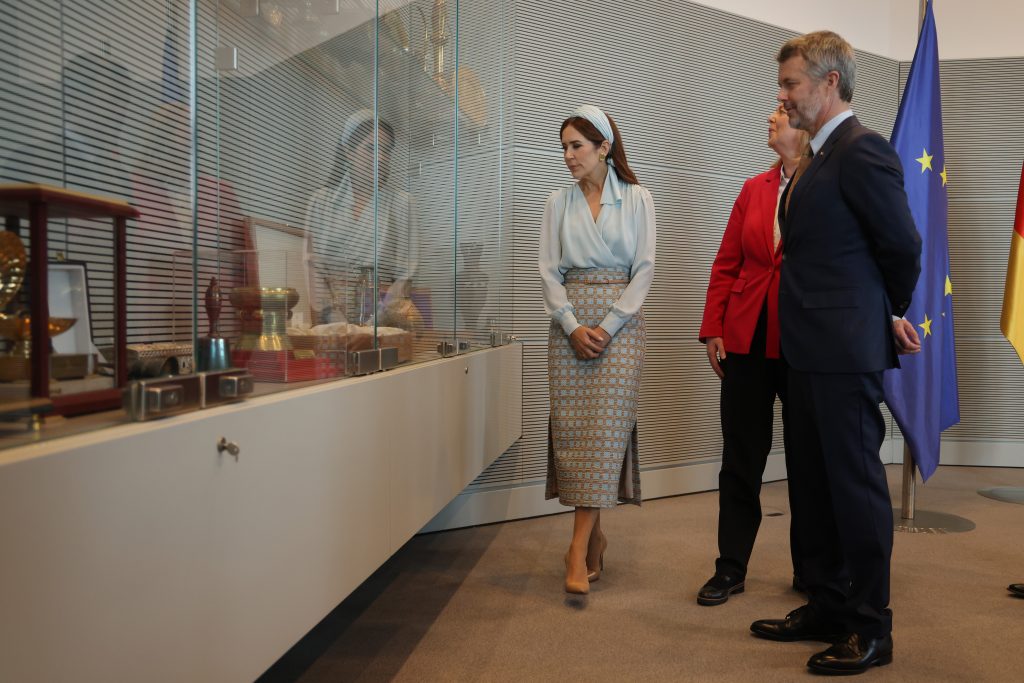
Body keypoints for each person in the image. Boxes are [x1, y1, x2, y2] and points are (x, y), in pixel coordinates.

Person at [748, 31, 923, 676]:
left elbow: (902, 248)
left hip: (845, 352)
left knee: (854, 489)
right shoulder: (816, 158)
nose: (783, 94)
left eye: (791, 83)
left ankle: (872, 626)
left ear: (828, 83)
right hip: (806, 352)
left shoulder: (861, 150)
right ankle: (825, 602)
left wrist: (883, 313)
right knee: (814, 487)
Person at [539, 105, 655, 595]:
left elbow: (644, 270)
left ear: (604, 147)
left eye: (577, 146)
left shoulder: (638, 198)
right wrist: (571, 325)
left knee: (605, 434)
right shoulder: (556, 202)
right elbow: (547, 270)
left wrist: (606, 326)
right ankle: (596, 537)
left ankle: (575, 547)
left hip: (619, 328)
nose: (568, 156)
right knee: (576, 433)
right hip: (568, 327)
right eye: (564, 147)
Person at [696, 105, 809, 607]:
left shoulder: (827, 183)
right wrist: (714, 328)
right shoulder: (752, 189)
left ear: (806, 125)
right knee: (741, 459)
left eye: (783, 112)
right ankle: (730, 568)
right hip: (746, 338)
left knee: (809, 461)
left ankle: (811, 569)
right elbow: (727, 263)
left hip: (806, 340)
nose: (770, 117)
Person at [304, 110, 418, 328]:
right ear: (348, 151)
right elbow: (314, 270)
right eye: (371, 148)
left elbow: (405, 276)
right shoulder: (320, 202)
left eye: (386, 150)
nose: (381, 157)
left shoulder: (403, 203)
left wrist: (372, 327)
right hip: (332, 326)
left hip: (385, 323)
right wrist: (339, 324)